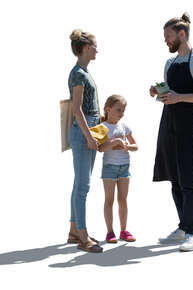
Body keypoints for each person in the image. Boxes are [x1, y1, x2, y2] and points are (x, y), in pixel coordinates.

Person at [149, 13, 193, 251]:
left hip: (189, 127)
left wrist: (179, 98)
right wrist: (160, 91)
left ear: (181, 34)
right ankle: (182, 226)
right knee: (174, 178)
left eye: (168, 36)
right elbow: (172, 95)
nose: (165, 41)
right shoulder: (170, 63)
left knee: (189, 180)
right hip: (169, 125)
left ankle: (192, 232)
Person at [67, 29, 103, 253]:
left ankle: (73, 230)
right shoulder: (79, 74)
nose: (98, 49)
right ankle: (82, 235)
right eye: (95, 46)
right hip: (83, 130)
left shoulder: (83, 71)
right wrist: (89, 136)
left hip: (87, 128)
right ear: (86, 48)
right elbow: (76, 108)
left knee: (79, 183)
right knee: (83, 186)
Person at [98, 95, 138, 243]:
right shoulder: (102, 127)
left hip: (124, 167)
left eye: (123, 110)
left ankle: (123, 230)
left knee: (123, 199)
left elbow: (136, 146)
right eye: (118, 109)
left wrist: (127, 146)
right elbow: (100, 149)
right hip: (109, 167)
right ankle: (110, 232)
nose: (122, 113)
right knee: (109, 200)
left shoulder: (124, 126)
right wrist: (114, 142)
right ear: (108, 109)